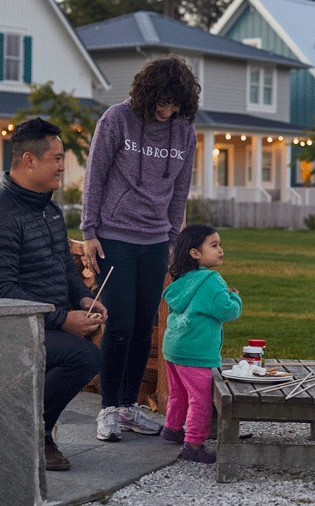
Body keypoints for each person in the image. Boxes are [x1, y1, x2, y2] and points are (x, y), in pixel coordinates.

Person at [0, 117, 106, 472]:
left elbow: (64, 265)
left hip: (42, 320)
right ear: (29, 160)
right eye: (56, 158)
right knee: (84, 358)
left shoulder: (48, 208)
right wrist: (62, 319)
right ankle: (32, 433)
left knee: (92, 350)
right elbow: (0, 291)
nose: (63, 165)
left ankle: (29, 431)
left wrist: (82, 299)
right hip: (8, 327)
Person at [81, 56, 200, 442]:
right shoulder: (116, 120)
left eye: (174, 104)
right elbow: (95, 175)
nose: (167, 111)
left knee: (145, 327)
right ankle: (108, 410)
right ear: (147, 96)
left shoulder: (184, 133)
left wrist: (172, 239)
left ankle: (130, 406)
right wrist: (88, 230)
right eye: (161, 103)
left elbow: (179, 192)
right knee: (120, 325)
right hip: (114, 237)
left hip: (155, 240)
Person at [159, 224, 242, 463]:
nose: (221, 250)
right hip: (196, 351)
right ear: (195, 253)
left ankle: (172, 429)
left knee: (178, 393)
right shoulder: (211, 280)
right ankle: (193, 444)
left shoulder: (182, 280)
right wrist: (234, 296)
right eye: (214, 245)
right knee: (200, 399)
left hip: (174, 347)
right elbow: (227, 311)